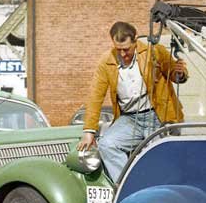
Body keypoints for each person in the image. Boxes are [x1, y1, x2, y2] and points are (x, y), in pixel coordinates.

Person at [78, 21, 188, 182]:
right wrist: (89, 131)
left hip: (156, 116)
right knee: (107, 144)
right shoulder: (106, 62)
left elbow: (174, 73)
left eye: (126, 49)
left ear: (135, 41)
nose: (123, 54)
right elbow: (95, 96)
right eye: (118, 49)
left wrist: (180, 74)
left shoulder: (154, 51)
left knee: (156, 154)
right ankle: (129, 185)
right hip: (130, 119)